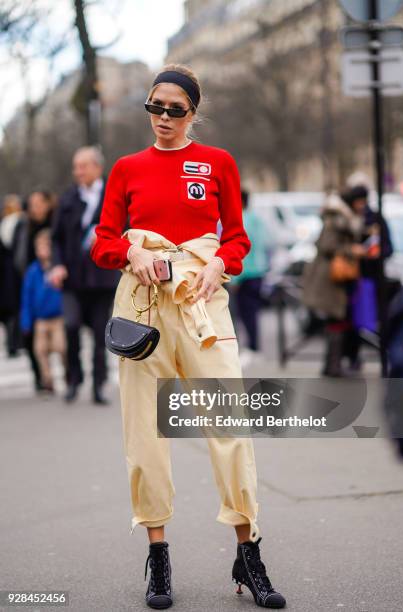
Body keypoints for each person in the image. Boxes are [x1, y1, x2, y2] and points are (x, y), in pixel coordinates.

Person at [91, 64, 286, 610]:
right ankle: (158, 556)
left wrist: (219, 265)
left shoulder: (218, 162)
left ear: (193, 112)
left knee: (228, 428)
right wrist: (135, 252)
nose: (163, 118)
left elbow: (240, 237)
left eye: (175, 109)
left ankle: (248, 554)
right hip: (143, 309)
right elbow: (103, 241)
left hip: (202, 307)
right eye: (155, 107)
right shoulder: (127, 168)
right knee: (146, 436)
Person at [48, 147, 120, 405]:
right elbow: (55, 239)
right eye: (76, 166)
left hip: (102, 280)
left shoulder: (114, 197)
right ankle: (74, 379)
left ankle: (98, 384)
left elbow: (127, 231)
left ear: (97, 168)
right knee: (70, 326)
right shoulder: (68, 199)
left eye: (83, 166)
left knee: (101, 334)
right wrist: (56, 265)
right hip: (73, 280)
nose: (77, 171)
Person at [302, 193, 364, 377]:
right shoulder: (337, 221)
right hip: (331, 278)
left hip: (333, 278)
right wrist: (350, 250)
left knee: (337, 320)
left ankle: (332, 364)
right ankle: (333, 365)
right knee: (336, 319)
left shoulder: (339, 220)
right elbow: (327, 246)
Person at [341, 185, 393, 371]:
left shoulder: (375, 219)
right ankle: (353, 357)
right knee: (353, 322)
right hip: (352, 278)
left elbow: (388, 248)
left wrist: (374, 253)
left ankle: (382, 356)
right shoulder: (348, 220)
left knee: (375, 321)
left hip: (372, 277)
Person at [20, 229, 66, 394]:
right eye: (39, 247)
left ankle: (68, 372)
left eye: (46, 246)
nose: (43, 251)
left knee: (61, 347)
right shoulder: (33, 271)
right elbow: (26, 297)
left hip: (57, 317)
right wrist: (26, 320)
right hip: (40, 319)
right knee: (40, 350)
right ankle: (47, 380)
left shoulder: (58, 268)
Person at [229, 190, 272, 368]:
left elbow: (241, 252)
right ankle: (254, 347)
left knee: (242, 313)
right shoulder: (257, 219)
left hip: (244, 274)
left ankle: (250, 348)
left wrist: (235, 279)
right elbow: (268, 245)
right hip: (259, 273)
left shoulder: (240, 221)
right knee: (253, 312)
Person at [0, 194, 24, 358]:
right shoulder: (14, 222)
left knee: (11, 309)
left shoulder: (11, 222)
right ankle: (14, 342)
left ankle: (13, 342)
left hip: (9, 271)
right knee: (13, 309)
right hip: (10, 271)